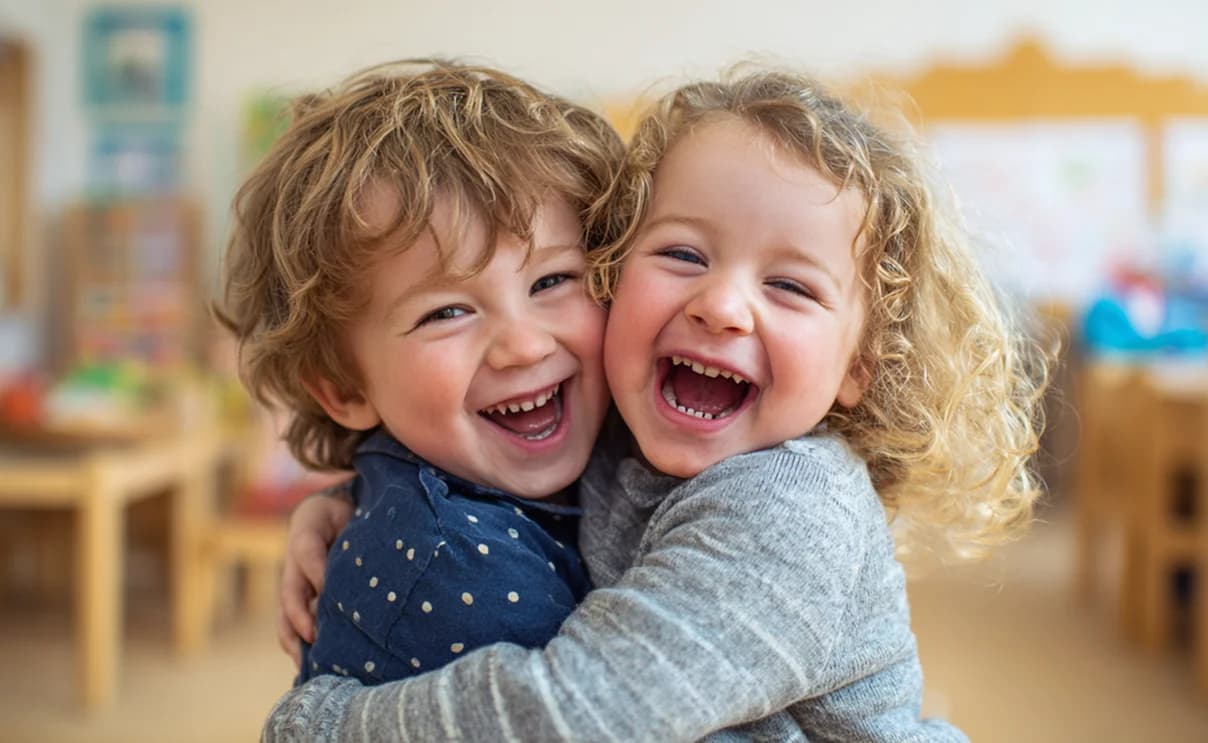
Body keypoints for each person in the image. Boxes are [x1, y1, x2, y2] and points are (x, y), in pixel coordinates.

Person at [264, 66, 1049, 741]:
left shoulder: (792, 513)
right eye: (681, 254)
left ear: (859, 367)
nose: (723, 306)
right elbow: (497, 476)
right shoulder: (630, 433)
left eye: (790, 285)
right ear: (614, 264)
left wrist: (328, 724)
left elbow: (585, 714)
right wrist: (348, 499)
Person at [216, 59, 624, 686]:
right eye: (447, 312)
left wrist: (340, 497)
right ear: (345, 388)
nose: (521, 344)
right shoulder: (461, 575)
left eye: (552, 279)